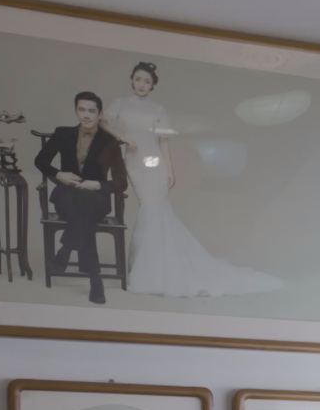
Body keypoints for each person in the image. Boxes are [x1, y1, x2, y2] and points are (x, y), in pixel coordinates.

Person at [105, 62, 281, 298]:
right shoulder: (120, 104)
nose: (141, 85)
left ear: (153, 85)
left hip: (155, 165)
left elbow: (163, 140)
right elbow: (102, 122)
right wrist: (124, 138)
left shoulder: (157, 109)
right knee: (151, 211)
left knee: (154, 212)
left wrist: (170, 170)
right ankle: (149, 268)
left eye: (147, 81)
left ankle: (153, 271)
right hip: (135, 163)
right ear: (132, 79)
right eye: (138, 79)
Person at [33, 91, 130, 303]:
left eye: (92, 111)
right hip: (66, 198)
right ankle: (95, 280)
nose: (86, 115)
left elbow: (121, 182)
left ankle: (65, 251)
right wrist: (58, 174)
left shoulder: (109, 142)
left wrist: (98, 184)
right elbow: (40, 161)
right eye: (82, 110)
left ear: (100, 113)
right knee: (83, 213)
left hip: (97, 200)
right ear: (75, 111)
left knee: (85, 203)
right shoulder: (63, 134)